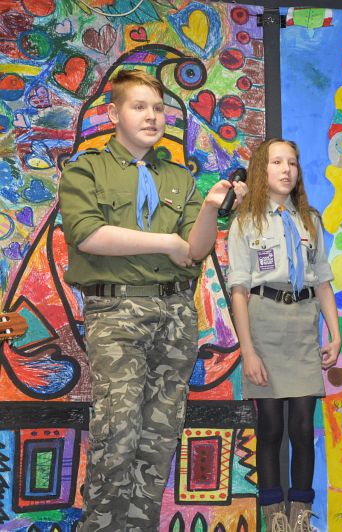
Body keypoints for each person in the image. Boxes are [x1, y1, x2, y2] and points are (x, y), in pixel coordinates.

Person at [58, 69, 247, 531]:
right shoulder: (86, 169)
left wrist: (211, 207)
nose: (151, 116)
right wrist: (165, 242)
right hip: (117, 311)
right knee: (118, 429)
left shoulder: (179, 177)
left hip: (175, 312)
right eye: (139, 107)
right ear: (113, 113)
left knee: (159, 438)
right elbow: (88, 235)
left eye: (159, 109)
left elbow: (195, 250)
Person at [227, 138, 341, 532]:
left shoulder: (310, 219)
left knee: (303, 428)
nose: (286, 170)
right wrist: (248, 351)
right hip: (264, 322)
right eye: (277, 162)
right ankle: (274, 516)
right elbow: (238, 290)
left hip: (303, 325)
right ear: (262, 170)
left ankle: (301, 516)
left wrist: (335, 334)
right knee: (271, 427)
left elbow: (322, 281)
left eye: (292, 162)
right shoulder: (245, 221)